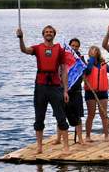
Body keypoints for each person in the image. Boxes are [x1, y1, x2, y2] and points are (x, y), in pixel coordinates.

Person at [16, 25, 70, 154]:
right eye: (46, 32)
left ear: (54, 34)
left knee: (61, 116)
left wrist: (65, 90)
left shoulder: (60, 50)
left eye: (51, 32)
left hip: (55, 86)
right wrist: (21, 38)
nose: (49, 33)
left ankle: (66, 147)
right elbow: (24, 50)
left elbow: (64, 71)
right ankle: (39, 147)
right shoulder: (37, 48)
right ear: (43, 34)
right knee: (39, 117)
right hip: (40, 86)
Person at [55, 38, 85, 145]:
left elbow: (85, 71)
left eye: (77, 46)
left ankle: (80, 138)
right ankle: (59, 138)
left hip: (76, 91)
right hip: (64, 90)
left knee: (77, 115)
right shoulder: (63, 58)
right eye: (73, 45)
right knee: (60, 115)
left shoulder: (80, 59)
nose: (74, 48)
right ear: (69, 46)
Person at [84, 46, 109, 142]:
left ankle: (106, 136)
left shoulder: (103, 64)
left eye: (95, 50)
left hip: (102, 92)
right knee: (91, 114)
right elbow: (88, 71)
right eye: (91, 50)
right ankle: (88, 136)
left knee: (104, 114)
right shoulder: (87, 64)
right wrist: (91, 59)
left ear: (98, 52)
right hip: (90, 92)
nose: (93, 52)